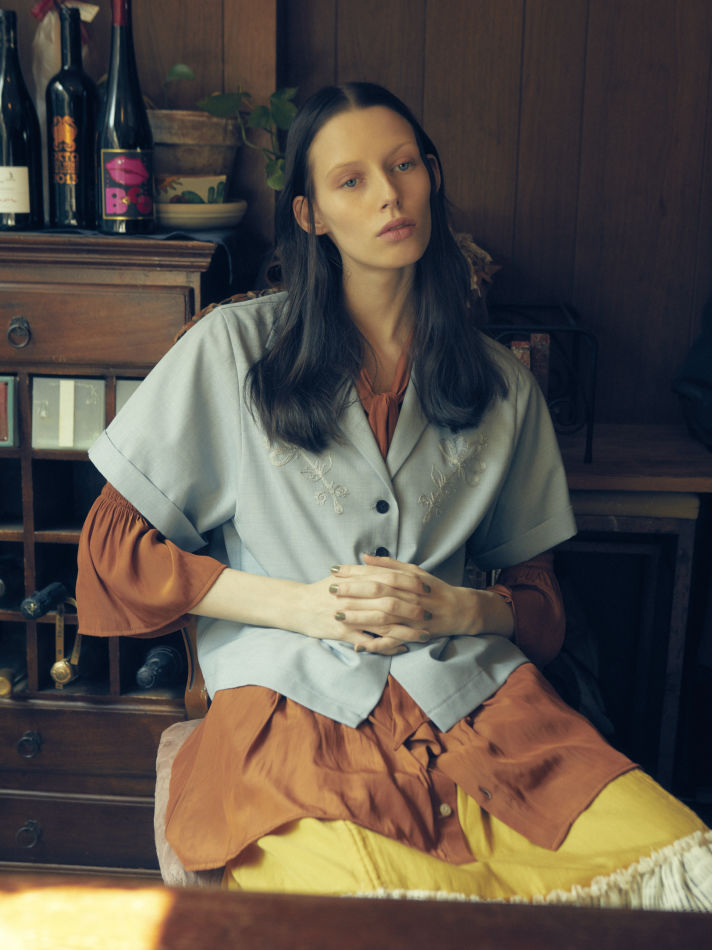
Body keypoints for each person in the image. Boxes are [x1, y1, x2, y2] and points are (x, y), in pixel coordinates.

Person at [77, 82, 712, 908]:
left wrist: (461, 609)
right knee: (376, 913)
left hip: (482, 705)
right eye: (352, 180)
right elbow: (114, 551)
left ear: (432, 178)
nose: (388, 194)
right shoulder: (234, 350)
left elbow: (541, 603)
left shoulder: (502, 384)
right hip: (291, 712)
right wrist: (301, 607)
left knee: (684, 875)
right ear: (310, 215)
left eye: (404, 165)